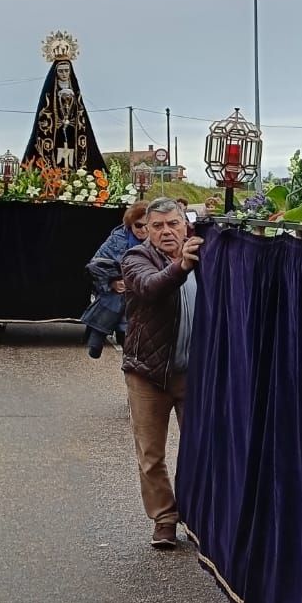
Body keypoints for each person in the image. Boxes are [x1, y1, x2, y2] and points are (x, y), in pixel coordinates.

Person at [120, 198, 203, 549]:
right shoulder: (136, 259)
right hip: (148, 372)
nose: (167, 231)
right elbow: (150, 287)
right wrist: (181, 266)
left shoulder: (206, 254)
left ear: (186, 225)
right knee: (151, 453)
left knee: (200, 449)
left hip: (194, 372)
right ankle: (165, 520)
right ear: (147, 231)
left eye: (173, 223)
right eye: (158, 226)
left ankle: (200, 519)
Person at [81, 201, 148, 358]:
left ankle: (97, 336)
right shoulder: (117, 239)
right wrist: (111, 283)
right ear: (130, 224)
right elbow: (93, 267)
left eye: (148, 225)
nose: (144, 230)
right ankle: (97, 338)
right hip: (122, 300)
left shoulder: (158, 239)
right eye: (138, 225)